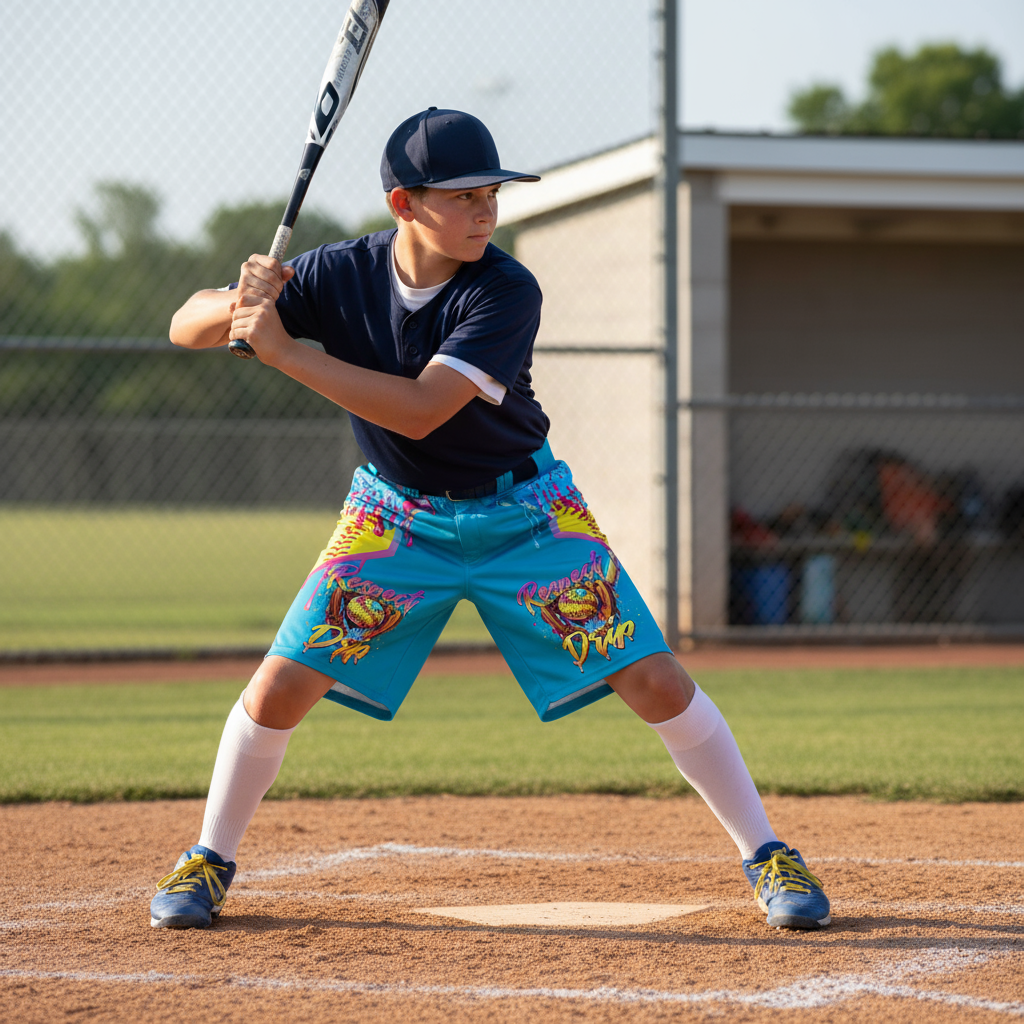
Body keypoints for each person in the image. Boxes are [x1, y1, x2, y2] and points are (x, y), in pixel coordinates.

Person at [150, 108, 831, 933]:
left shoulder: (504, 288)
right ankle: (208, 860)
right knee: (281, 685)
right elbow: (185, 326)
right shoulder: (339, 272)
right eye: (464, 197)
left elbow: (422, 412)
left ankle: (768, 855)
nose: (485, 212)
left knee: (652, 677)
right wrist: (239, 300)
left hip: (527, 515)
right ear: (404, 204)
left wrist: (290, 353)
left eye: (492, 196)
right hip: (394, 519)